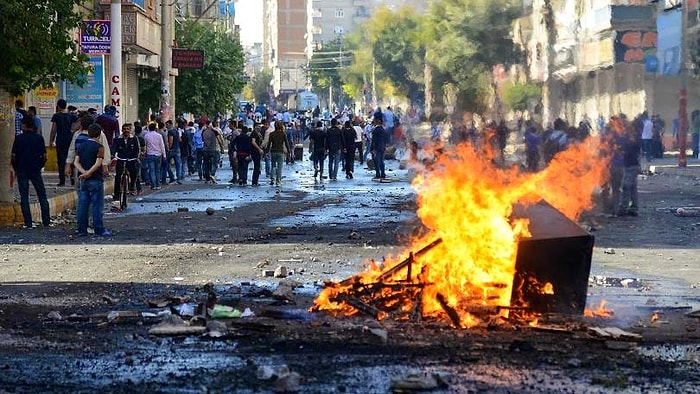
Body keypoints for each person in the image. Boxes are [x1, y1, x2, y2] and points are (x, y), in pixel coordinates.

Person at [12, 114, 50, 229]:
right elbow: (44, 156)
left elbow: (13, 156)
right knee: (42, 195)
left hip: (22, 169)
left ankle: (28, 222)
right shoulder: (39, 138)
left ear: (24, 125)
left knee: (24, 195)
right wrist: (39, 166)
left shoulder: (18, 139)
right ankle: (46, 221)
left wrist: (16, 168)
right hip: (35, 169)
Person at [74, 123, 111, 237]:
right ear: (99, 135)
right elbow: (98, 163)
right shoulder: (100, 147)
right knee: (97, 206)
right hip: (95, 179)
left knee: (83, 205)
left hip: (83, 180)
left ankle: (81, 230)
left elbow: (76, 162)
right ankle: (99, 229)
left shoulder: (81, 145)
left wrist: (83, 173)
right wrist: (89, 173)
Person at [64, 114, 111, 189]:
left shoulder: (97, 134)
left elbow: (72, 150)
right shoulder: (78, 134)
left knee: (86, 190)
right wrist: (105, 165)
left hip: (85, 167)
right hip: (92, 167)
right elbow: (105, 149)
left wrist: (68, 164)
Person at [50, 99, 78, 186]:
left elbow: (53, 130)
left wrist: (51, 140)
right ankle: (73, 180)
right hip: (70, 140)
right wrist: (73, 131)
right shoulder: (71, 116)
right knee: (71, 160)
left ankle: (62, 181)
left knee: (61, 161)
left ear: (58, 106)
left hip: (60, 140)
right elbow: (78, 123)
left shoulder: (56, 116)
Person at [112, 123, 142, 198]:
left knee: (134, 173)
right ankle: (117, 194)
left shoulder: (134, 138)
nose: (126, 131)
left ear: (130, 130)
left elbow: (137, 149)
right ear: (122, 130)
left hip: (131, 159)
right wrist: (113, 155)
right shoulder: (117, 139)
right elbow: (113, 148)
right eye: (124, 129)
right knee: (118, 176)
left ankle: (132, 187)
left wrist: (136, 157)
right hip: (121, 159)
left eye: (128, 129)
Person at [618, 125, 641, 217]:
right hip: (635, 166)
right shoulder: (636, 139)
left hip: (630, 166)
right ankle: (634, 208)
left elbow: (626, 153)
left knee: (626, 187)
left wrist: (621, 152)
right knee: (633, 188)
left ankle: (623, 209)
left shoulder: (630, 141)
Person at [143, 122, 166, 190]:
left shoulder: (146, 136)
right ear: (155, 128)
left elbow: (145, 146)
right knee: (157, 170)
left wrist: (144, 153)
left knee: (151, 170)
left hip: (150, 154)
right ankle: (158, 184)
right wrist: (164, 155)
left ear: (149, 129)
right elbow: (162, 146)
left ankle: (153, 185)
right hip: (158, 154)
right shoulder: (159, 136)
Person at [267, 120, 288, 186]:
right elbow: (286, 143)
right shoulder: (283, 134)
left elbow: (269, 143)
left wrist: (267, 151)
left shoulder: (272, 134)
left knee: (273, 166)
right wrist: (289, 151)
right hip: (280, 152)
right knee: (280, 167)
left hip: (273, 151)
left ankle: (272, 179)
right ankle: (278, 182)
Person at [166, 119, 183, 184]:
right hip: (177, 149)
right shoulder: (176, 131)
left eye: (167, 125)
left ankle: (172, 177)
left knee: (166, 163)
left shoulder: (170, 132)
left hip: (172, 150)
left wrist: (169, 148)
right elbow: (180, 140)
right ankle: (179, 178)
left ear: (169, 124)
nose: (166, 126)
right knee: (178, 164)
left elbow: (171, 141)